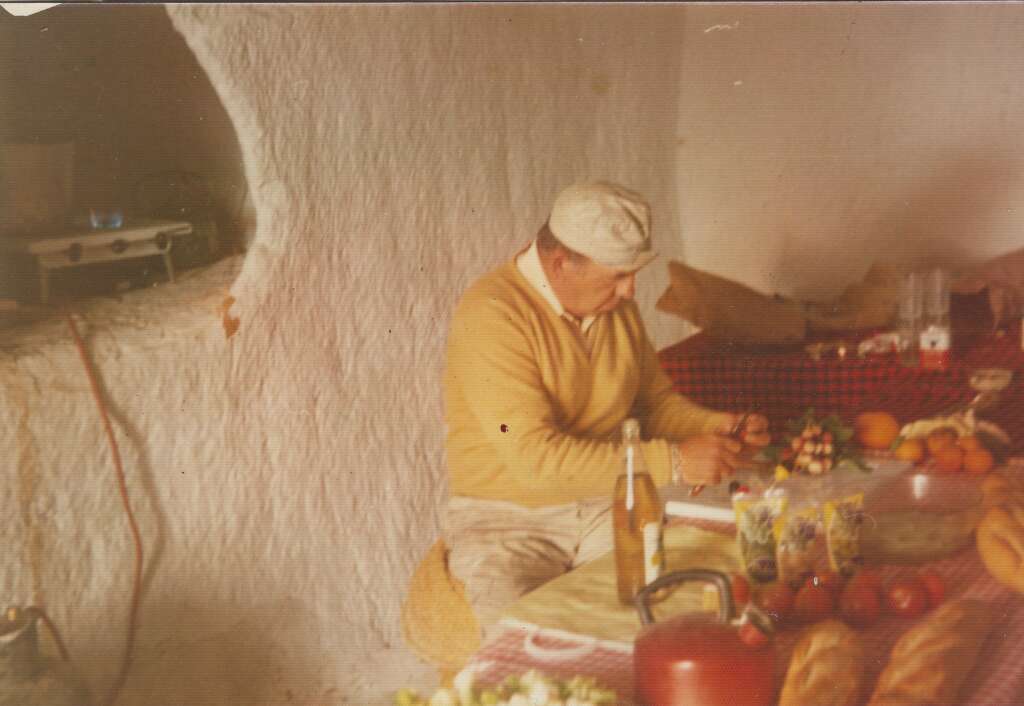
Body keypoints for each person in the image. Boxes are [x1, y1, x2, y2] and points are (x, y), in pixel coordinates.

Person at [441, 181, 769, 636]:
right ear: (560, 263)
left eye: (634, 273)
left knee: (667, 619)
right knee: (527, 648)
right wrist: (675, 460)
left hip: (605, 503)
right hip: (507, 519)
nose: (631, 291)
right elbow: (536, 459)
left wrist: (720, 427)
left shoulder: (616, 309)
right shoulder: (492, 314)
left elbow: (652, 407)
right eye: (617, 275)